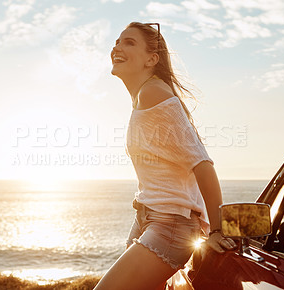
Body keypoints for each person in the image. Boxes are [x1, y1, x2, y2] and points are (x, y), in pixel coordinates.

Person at [94, 22, 236, 290]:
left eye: (129, 42)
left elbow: (202, 164)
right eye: (117, 41)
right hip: (148, 217)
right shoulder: (142, 97)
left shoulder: (153, 94)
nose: (117, 47)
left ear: (152, 59)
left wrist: (216, 230)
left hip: (170, 224)